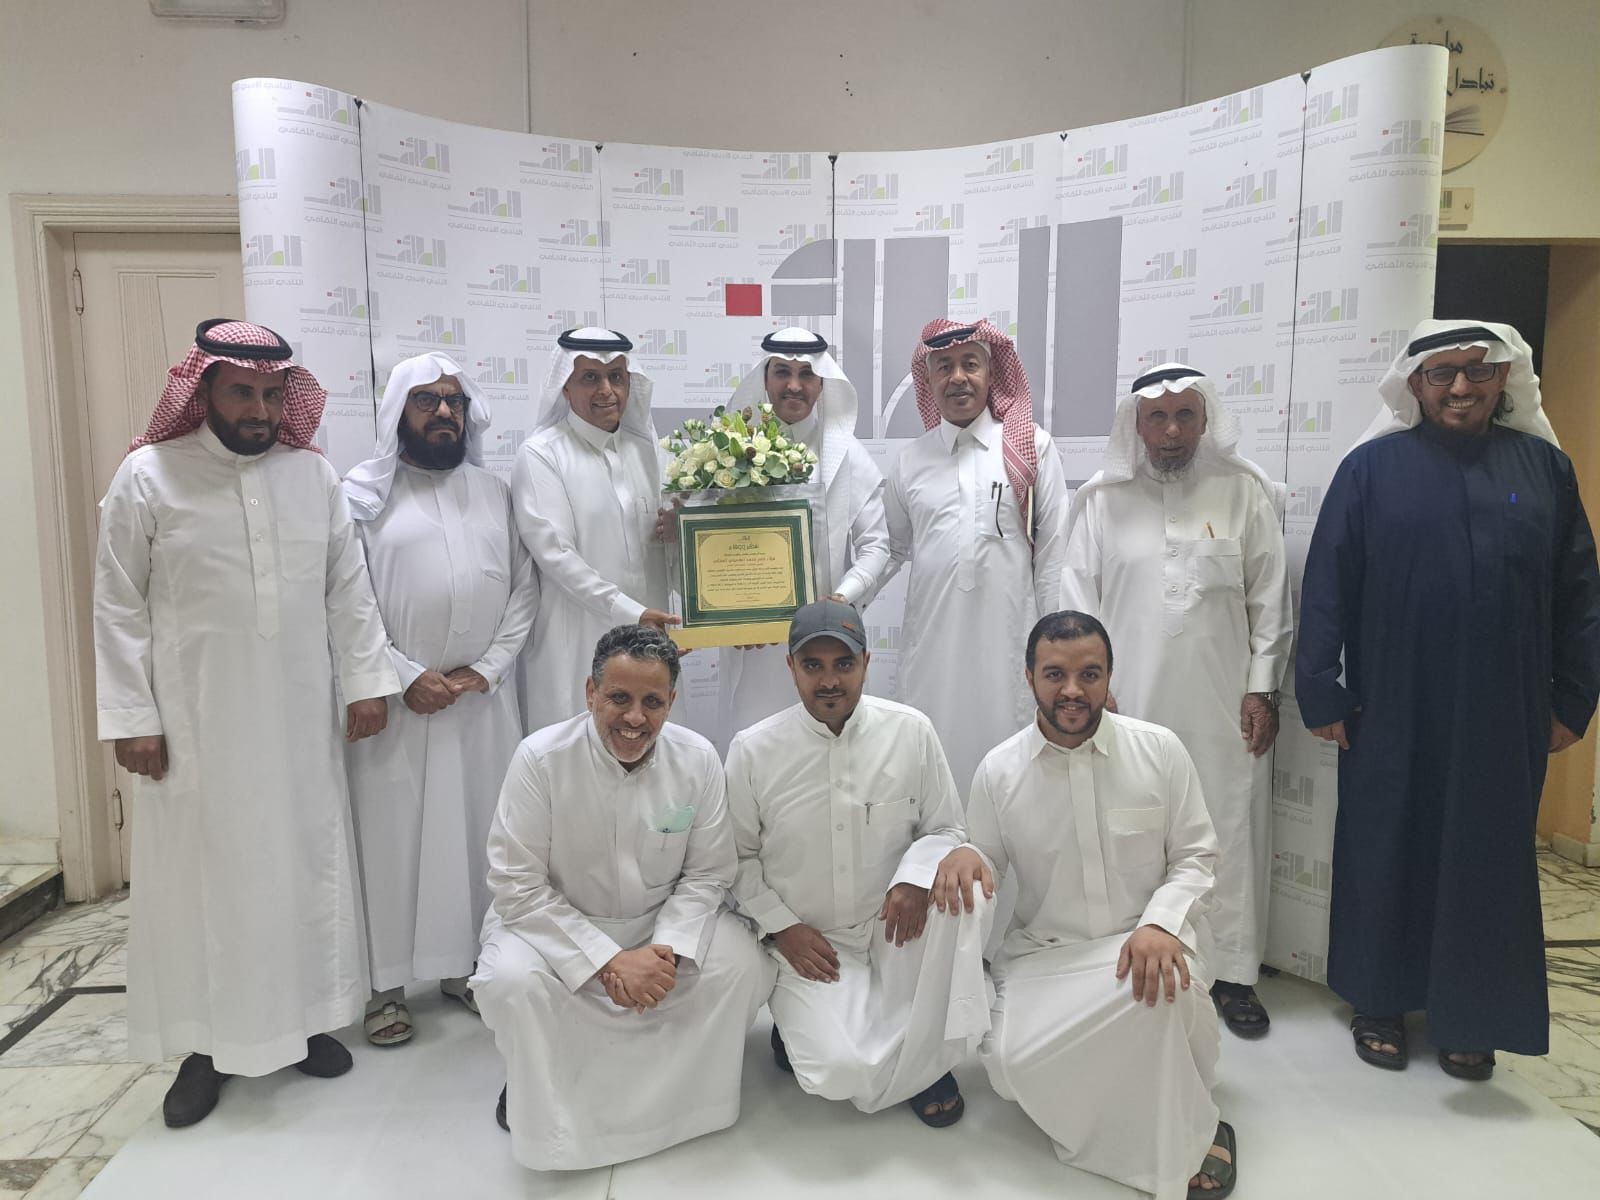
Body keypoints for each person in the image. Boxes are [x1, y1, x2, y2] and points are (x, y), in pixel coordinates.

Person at [93, 319, 397, 1127]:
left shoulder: (312, 476)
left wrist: (367, 682)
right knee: (204, 882)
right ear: (204, 391)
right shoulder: (149, 475)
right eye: (242, 392)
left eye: (271, 393)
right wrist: (132, 715)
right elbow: (117, 602)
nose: (260, 409)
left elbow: (347, 589)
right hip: (194, 725)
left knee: (302, 866)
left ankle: (303, 1024)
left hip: (299, 720)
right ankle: (203, 1047)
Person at [1296, 319, 1600, 1080]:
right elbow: (1328, 585)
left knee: (1488, 854)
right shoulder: (1370, 470)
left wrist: (1574, 697)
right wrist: (1321, 688)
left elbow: (1579, 594)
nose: (1461, 387)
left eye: (1478, 371)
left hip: (1506, 706)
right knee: (1385, 843)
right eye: (1443, 374)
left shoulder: (1544, 470)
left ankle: (1475, 1015)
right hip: (1390, 702)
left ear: (1505, 378)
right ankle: (1378, 1002)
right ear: (1416, 384)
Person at [935, 611, 1234, 1199]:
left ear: (1108, 676)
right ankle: (1149, 1111)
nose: (1072, 691)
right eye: (1055, 674)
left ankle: (1197, 1130)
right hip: (1047, 957)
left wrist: (1160, 924)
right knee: (1009, 1062)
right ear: (1029, 677)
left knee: (1158, 996)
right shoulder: (999, 769)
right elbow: (988, 859)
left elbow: (1196, 856)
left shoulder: (1159, 750)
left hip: (1145, 944)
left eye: (1089, 674)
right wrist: (968, 855)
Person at [472, 625, 766, 1170]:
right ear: (591, 693)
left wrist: (663, 952)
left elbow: (707, 874)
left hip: (658, 927)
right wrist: (607, 960)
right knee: (511, 982)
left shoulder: (698, 758)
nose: (635, 718)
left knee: (743, 964)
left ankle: (674, 1103)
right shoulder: (540, 758)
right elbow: (517, 884)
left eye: (652, 702)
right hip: (555, 927)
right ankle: (538, 1089)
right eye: (619, 698)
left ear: (671, 701)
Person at [1061, 364, 1292, 1037]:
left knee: (1228, 830)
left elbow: (1270, 599)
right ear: (1135, 426)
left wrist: (1263, 687)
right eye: (1156, 418)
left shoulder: (1242, 492)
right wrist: (1089, 692)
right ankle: (1128, 957)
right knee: (1132, 830)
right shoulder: (1102, 501)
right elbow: (1076, 599)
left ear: (1205, 420)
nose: (1170, 431)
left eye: (1185, 416)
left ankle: (1233, 972)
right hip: (1125, 707)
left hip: (1223, 708)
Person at [725, 598, 990, 1125]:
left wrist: (915, 878)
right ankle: (919, 1060)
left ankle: (921, 1062)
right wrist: (782, 928)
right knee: (838, 1071)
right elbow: (736, 857)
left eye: (843, 664)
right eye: (813, 665)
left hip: (897, 928)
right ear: (791, 667)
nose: (829, 681)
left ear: (867, 662)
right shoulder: (753, 750)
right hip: (812, 944)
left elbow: (946, 829)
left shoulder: (910, 731)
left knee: (971, 892)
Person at [342, 353, 539, 1045]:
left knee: (481, 839)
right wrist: (402, 675)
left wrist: (487, 669)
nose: (444, 412)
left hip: (480, 704)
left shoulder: (494, 492)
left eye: (453, 400)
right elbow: (348, 600)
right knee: (393, 844)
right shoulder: (362, 496)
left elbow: (524, 590)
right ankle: (386, 988)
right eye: (426, 401)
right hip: (399, 708)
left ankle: (465, 970)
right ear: (398, 412)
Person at [877, 319, 1069, 794]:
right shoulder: (910, 460)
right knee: (933, 766)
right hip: (933, 651)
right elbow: (891, 548)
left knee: (1013, 770)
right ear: (929, 380)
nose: (958, 377)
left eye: (970, 364)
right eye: (944, 367)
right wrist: (845, 597)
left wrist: (1059, 648)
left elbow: (1053, 557)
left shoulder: (1031, 449)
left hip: (1010, 643)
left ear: (991, 372)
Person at [714, 329, 891, 749]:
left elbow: (877, 546)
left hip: (827, 642)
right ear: (765, 379)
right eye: (783, 372)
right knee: (755, 747)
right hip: (754, 643)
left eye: (806, 374)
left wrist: (843, 597)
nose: (794, 385)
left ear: (822, 383)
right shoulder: (727, 453)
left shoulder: (847, 456)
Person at [512, 329, 675, 734]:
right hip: (577, 643)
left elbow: (666, 545)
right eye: (590, 377)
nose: (607, 390)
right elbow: (557, 555)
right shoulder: (541, 454)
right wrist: (631, 614)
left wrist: (681, 532)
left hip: (652, 640)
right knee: (578, 753)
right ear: (565, 386)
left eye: (616, 377)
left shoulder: (647, 451)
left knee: (652, 750)